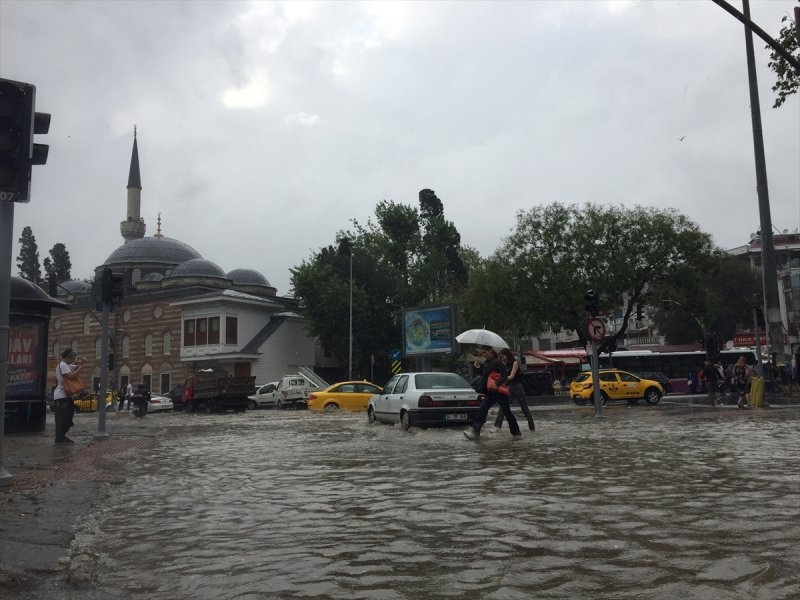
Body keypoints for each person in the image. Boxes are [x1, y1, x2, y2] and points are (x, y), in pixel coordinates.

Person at [464, 345, 521, 440]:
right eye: (482, 353)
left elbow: (504, 375)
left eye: (485, 352)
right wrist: (477, 367)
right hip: (490, 392)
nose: (483, 355)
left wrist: (497, 384)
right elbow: (484, 376)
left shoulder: (497, 362)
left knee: (507, 412)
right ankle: (475, 431)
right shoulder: (487, 362)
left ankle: (516, 433)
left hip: (500, 392)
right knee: (482, 409)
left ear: (490, 351)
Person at [493, 348, 535, 432]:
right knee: (503, 406)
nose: (503, 358)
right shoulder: (505, 364)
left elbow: (511, 376)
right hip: (510, 388)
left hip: (517, 387)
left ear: (508, 355)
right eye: (501, 357)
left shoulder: (515, 363)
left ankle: (532, 428)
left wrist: (502, 379)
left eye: (503, 356)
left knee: (524, 408)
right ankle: (497, 426)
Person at [53, 348, 85, 444]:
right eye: (72, 358)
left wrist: (81, 363)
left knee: (68, 418)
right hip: (61, 396)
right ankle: (59, 438)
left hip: (67, 396)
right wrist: (81, 367)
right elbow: (71, 376)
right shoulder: (62, 364)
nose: (73, 360)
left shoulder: (67, 365)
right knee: (62, 418)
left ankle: (61, 436)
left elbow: (75, 367)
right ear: (67, 357)